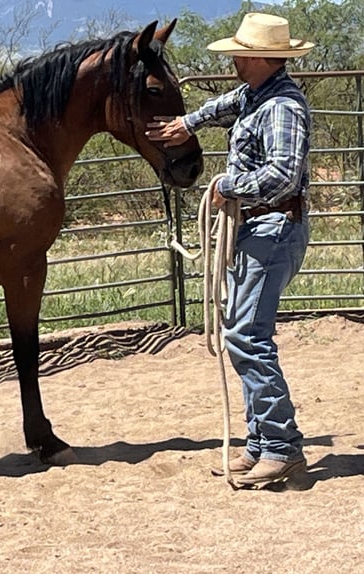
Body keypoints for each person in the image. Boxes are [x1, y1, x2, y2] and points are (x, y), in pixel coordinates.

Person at [145, 12, 314, 489]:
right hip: (258, 229)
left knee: (246, 336)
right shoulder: (256, 95)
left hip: (273, 228)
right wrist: (187, 122)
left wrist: (229, 186)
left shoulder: (283, 107)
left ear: (258, 57)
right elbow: (225, 105)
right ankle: (262, 443)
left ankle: (281, 446)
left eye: (239, 53)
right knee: (244, 331)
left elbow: (283, 173)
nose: (234, 61)